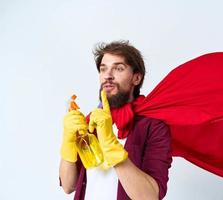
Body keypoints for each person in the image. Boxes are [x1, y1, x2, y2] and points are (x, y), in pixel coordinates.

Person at [59, 40, 173, 200]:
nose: (107, 75)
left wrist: (112, 148)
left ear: (136, 78)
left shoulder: (154, 126)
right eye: (103, 69)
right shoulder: (90, 121)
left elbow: (150, 196)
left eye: (118, 68)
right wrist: (68, 143)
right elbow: (68, 186)